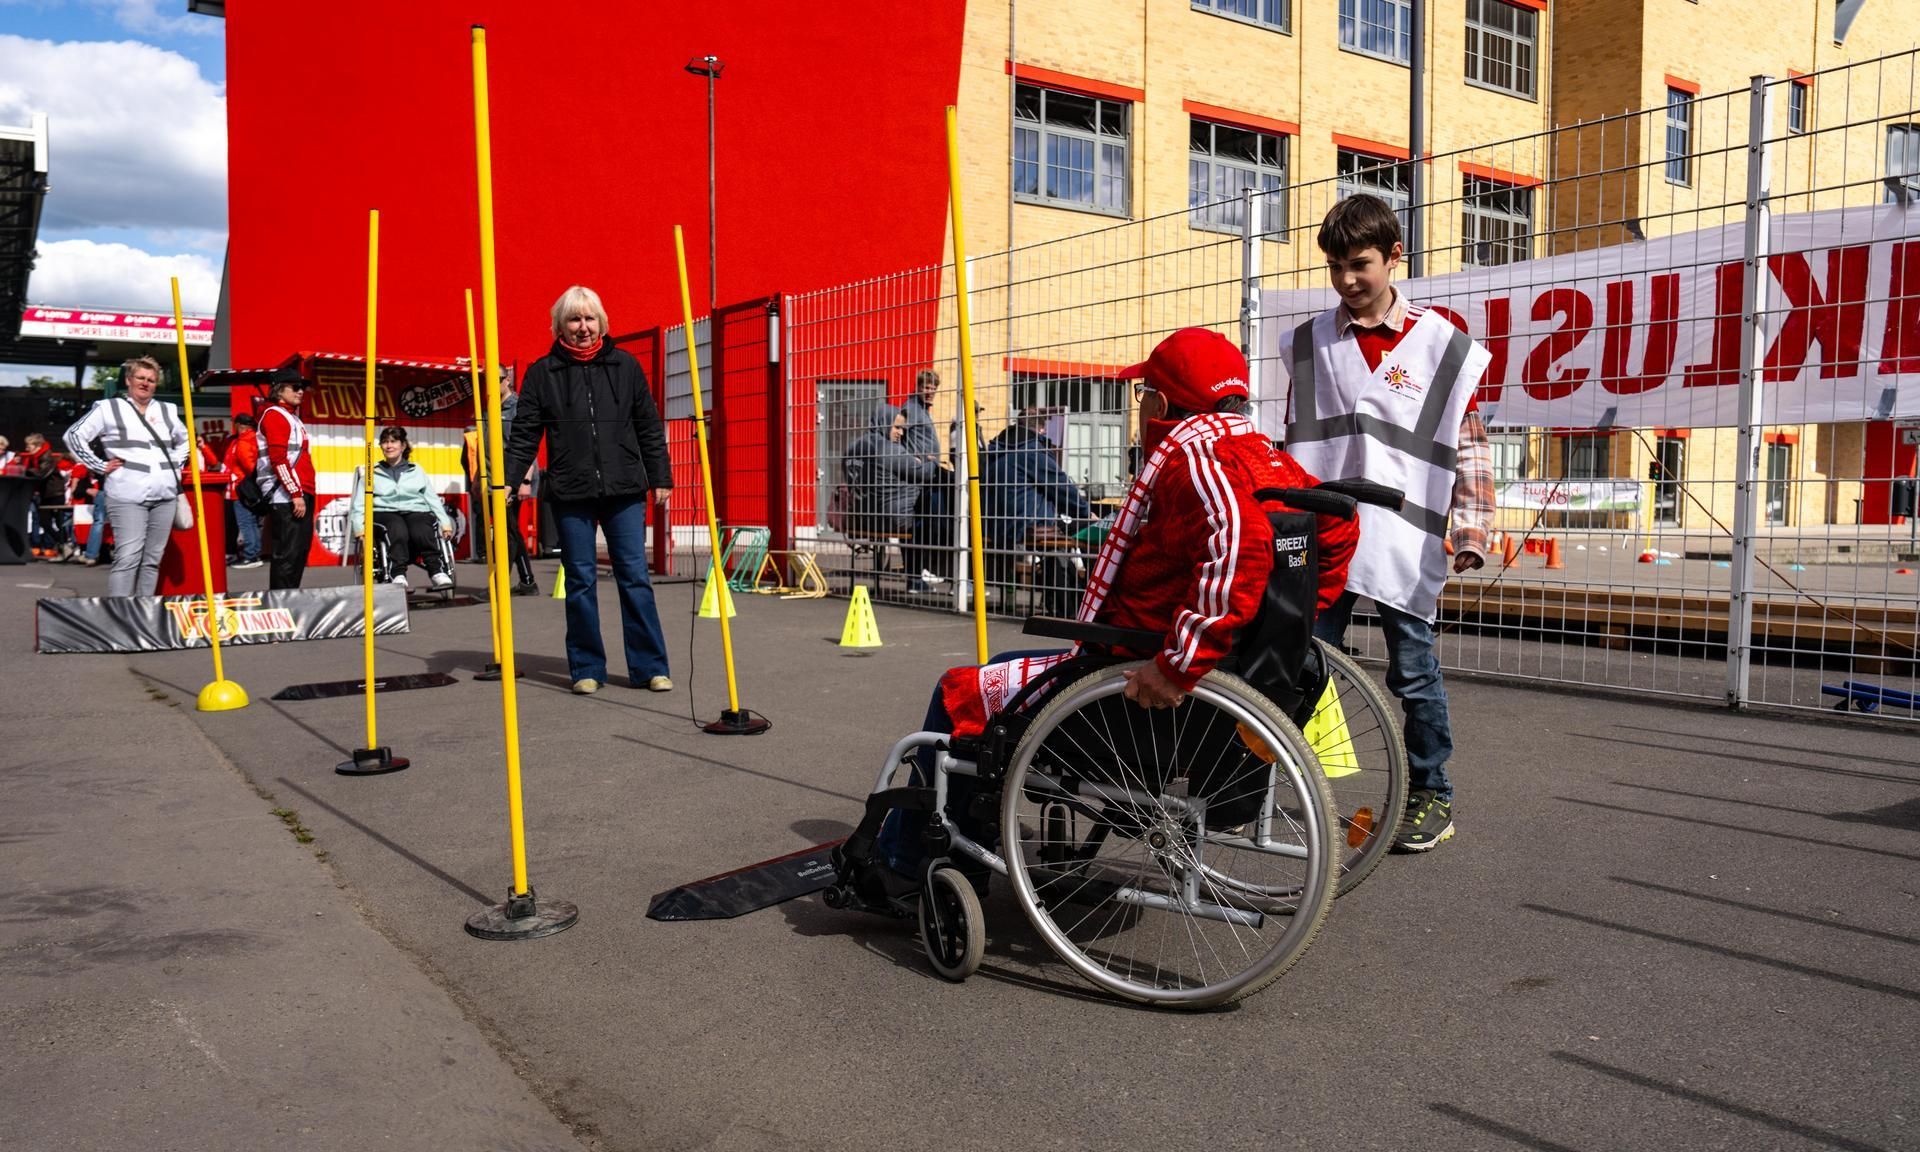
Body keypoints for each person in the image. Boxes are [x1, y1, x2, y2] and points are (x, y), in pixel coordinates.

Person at [876, 328, 1358, 872]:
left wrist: (1180, 665)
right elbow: (1338, 521)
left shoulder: (1193, 461)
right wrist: (1284, 623)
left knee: (963, 692)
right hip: (1219, 676)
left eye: (1145, 390)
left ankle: (910, 867)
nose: (1142, 403)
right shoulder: (1266, 458)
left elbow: (1237, 540)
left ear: (1165, 400)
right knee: (1002, 677)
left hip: (1130, 680)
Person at [1276, 194, 1495, 854]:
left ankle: (1433, 793)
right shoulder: (1309, 344)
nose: (1346, 280)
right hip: (1328, 533)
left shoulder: (1441, 348)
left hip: (1406, 538)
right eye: (1335, 266)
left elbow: (1470, 441)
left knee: (1415, 672)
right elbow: (1294, 442)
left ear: (1395, 257)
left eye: (1359, 264)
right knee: (1302, 660)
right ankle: (1293, 782)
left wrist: (1471, 530)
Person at [502, 285, 674, 695]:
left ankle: (650, 667)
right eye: (575, 319)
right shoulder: (542, 373)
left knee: (634, 577)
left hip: (625, 489)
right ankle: (586, 668)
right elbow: (525, 433)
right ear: (560, 325)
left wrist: (660, 475)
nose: (583, 327)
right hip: (571, 491)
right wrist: (509, 479)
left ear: (602, 323)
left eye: (590, 318)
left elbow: (648, 425)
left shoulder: (626, 366)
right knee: (579, 580)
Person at [60, 358, 189, 596]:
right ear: (129, 380)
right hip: (127, 494)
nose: (146, 383)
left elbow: (185, 440)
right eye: (140, 378)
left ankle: (143, 615)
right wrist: (99, 465)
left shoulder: (166, 409)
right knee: (128, 558)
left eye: (151, 380)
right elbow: (73, 436)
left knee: (152, 560)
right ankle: (121, 617)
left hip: (165, 494)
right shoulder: (108, 408)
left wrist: (176, 466)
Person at [981, 409, 1094, 619]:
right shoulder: (1031, 450)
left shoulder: (996, 449)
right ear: (1040, 428)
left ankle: (1067, 604)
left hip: (995, 525)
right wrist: (1087, 513)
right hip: (1029, 526)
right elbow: (1061, 487)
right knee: (1086, 533)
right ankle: (1077, 607)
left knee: (1061, 545)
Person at [350, 426, 455, 589]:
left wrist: (445, 523)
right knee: (396, 527)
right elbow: (359, 503)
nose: (389, 446)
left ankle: (437, 571)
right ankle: (397, 574)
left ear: (403, 446)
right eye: (384, 442)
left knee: (421, 527)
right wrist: (359, 529)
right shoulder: (371, 472)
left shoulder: (417, 470)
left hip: (415, 510)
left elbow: (432, 498)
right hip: (384, 512)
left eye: (393, 441)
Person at [843, 405, 937, 559]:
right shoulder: (887, 448)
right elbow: (924, 473)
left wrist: (918, 459)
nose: (901, 433)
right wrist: (932, 462)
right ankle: (922, 571)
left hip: (862, 519)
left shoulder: (852, 448)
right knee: (936, 516)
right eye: (897, 427)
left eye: (903, 429)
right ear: (884, 422)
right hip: (894, 519)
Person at [256, 368, 316, 589]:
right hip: (286, 496)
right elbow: (278, 459)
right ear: (280, 390)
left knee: (299, 553)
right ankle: (281, 603)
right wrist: (295, 493)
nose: (301, 391)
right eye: (295, 387)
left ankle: (289, 601)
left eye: (303, 387)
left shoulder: (292, 417)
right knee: (288, 555)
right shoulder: (274, 415)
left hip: (300, 492)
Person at [901, 367, 952, 589]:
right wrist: (917, 458)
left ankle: (918, 575)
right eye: (926, 388)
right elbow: (897, 438)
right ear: (918, 388)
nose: (930, 392)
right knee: (917, 528)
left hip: (925, 478)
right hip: (915, 482)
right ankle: (915, 576)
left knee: (921, 527)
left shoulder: (921, 409)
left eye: (933, 389)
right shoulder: (910, 409)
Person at [222, 413, 263, 569]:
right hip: (247, 489)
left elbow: (250, 468)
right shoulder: (252, 439)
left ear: (240, 425)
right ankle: (253, 554)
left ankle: (251, 556)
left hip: (240, 489)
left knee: (246, 523)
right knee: (250, 523)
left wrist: (240, 480)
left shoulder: (243, 442)